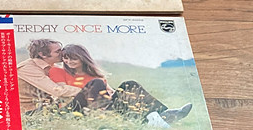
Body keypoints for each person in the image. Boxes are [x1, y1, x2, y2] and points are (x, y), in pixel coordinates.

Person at [16, 39, 192, 124]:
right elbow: (58, 91)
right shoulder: (29, 68)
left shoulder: (50, 68)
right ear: (42, 54)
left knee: (129, 85)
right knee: (97, 86)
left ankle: (166, 114)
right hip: (38, 114)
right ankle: (122, 116)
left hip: (59, 108)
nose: (62, 55)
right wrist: (88, 91)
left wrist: (111, 92)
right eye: (58, 52)